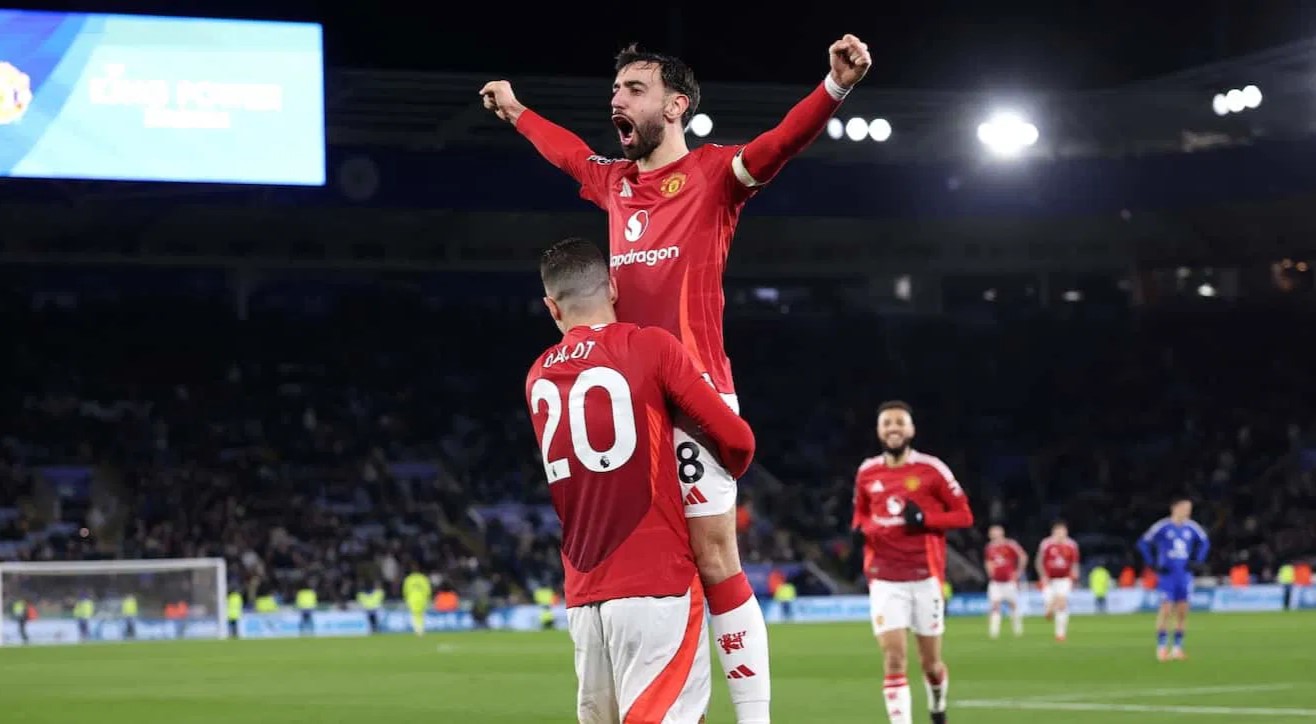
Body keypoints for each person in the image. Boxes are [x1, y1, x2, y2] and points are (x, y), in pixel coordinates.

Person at [483, 36, 870, 723]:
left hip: (693, 396)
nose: (617, 99)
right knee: (644, 560)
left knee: (715, 556)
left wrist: (835, 86)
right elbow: (567, 153)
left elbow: (781, 143)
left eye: (634, 89)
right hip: (630, 403)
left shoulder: (715, 174)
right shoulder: (615, 183)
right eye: (615, 89)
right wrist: (516, 112)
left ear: (676, 105)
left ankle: (754, 715)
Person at [526, 238, 756, 724]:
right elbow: (739, 439)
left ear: (552, 307)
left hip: (584, 595)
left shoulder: (538, 376)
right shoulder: (649, 346)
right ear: (613, 287)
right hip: (656, 584)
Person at [852, 401, 974, 724]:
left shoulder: (932, 469)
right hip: (884, 578)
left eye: (900, 423)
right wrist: (863, 529)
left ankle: (937, 704)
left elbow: (964, 515)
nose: (893, 428)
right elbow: (860, 514)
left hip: (924, 577)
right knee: (894, 659)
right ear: (879, 431)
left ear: (911, 429)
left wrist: (926, 519)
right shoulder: (867, 472)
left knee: (930, 664)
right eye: (887, 423)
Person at [1136, 496, 1210, 661]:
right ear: (1175, 508)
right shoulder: (1162, 526)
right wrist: (1152, 563)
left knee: (1183, 611)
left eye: (1189, 509)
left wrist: (1197, 561)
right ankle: (1162, 647)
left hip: (1184, 575)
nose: (1188, 512)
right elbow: (1142, 543)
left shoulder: (1192, 527)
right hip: (1167, 575)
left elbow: (1205, 542)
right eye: (1185, 508)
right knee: (1166, 609)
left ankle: (1177, 648)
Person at [1036, 522, 1080, 642]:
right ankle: (1049, 609)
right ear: (1053, 533)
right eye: (1058, 532)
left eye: (1063, 532)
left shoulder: (1071, 545)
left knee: (1062, 604)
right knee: (1051, 603)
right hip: (1049, 579)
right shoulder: (1046, 544)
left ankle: (1060, 634)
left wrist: (1075, 577)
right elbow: (1039, 561)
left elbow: (1074, 563)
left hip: (1065, 579)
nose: (1061, 535)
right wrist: (1043, 576)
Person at [982, 525, 1027, 639]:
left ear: (1002, 533)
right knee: (995, 605)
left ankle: (1017, 629)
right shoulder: (989, 547)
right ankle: (994, 633)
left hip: (1009, 581)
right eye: (992, 533)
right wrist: (989, 571)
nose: (994, 535)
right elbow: (988, 561)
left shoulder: (1010, 544)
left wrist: (1018, 572)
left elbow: (1023, 556)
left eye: (996, 533)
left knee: (1013, 604)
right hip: (995, 582)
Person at [402, 566, 432, 637]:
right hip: (422, 598)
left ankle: (417, 629)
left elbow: (405, 590)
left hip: (412, 599)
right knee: (421, 614)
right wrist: (428, 598)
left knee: (414, 614)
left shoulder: (409, 579)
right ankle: (421, 629)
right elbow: (428, 589)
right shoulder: (423, 578)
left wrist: (406, 598)